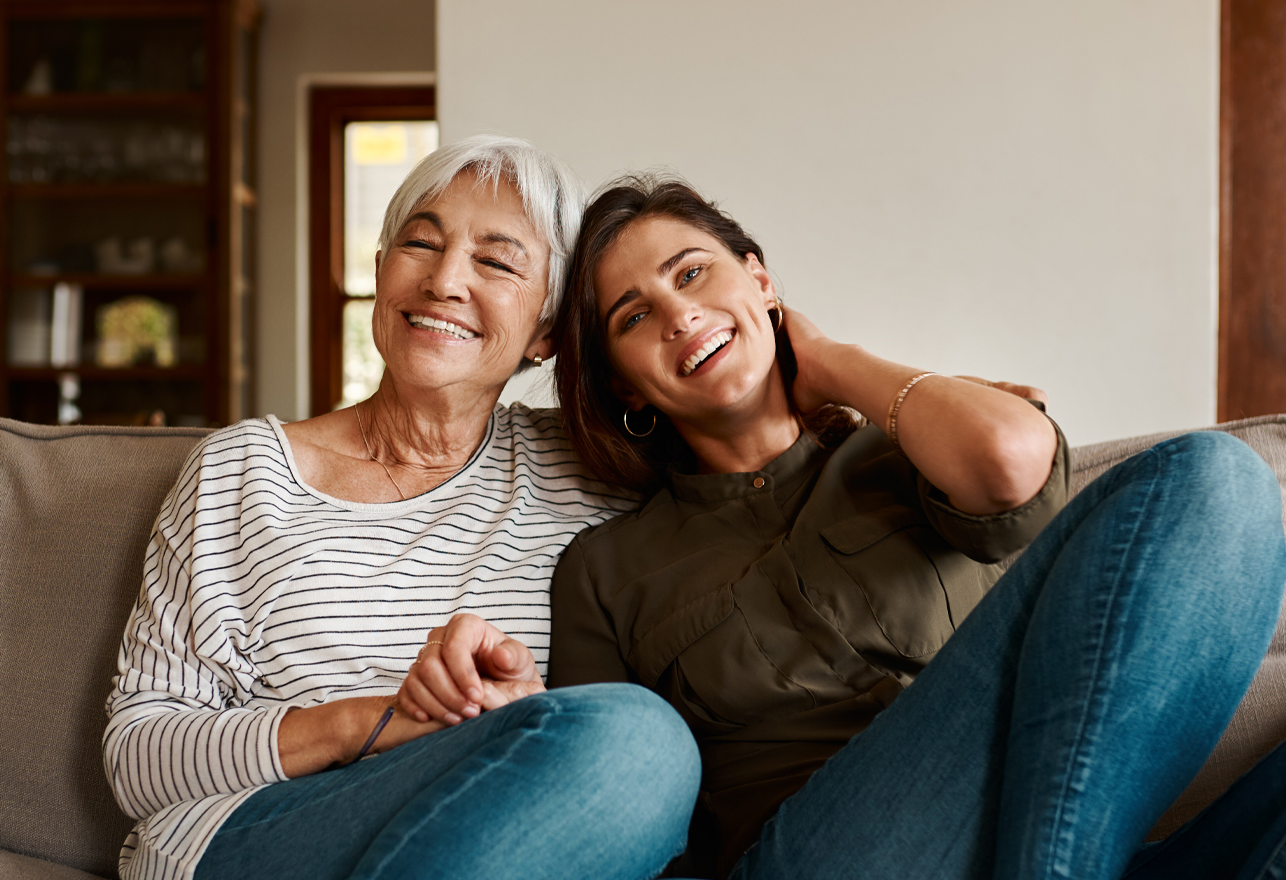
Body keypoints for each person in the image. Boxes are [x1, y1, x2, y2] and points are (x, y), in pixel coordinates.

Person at [401, 173, 1286, 879]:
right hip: (826, 852)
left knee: (1217, 483)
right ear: (626, 384)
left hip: (1048, 827)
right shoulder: (606, 569)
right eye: (635, 318)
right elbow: (618, 825)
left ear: (761, 278)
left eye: (694, 272)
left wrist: (830, 360)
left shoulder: (904, 454)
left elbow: (1014, 461)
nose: (679, 314)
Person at [102, 139, 701, 880]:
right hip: (252, 836)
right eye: (420, 242)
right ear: (382, 271)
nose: (445, 280)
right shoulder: (246, 472)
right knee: (639, 740)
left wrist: (521, 713)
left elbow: (752, 412)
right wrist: (381, 722)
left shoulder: (591, 470)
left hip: (483, 838)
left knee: (638, 754)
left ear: (547, 332)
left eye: (496, 261)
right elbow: (137, 760)